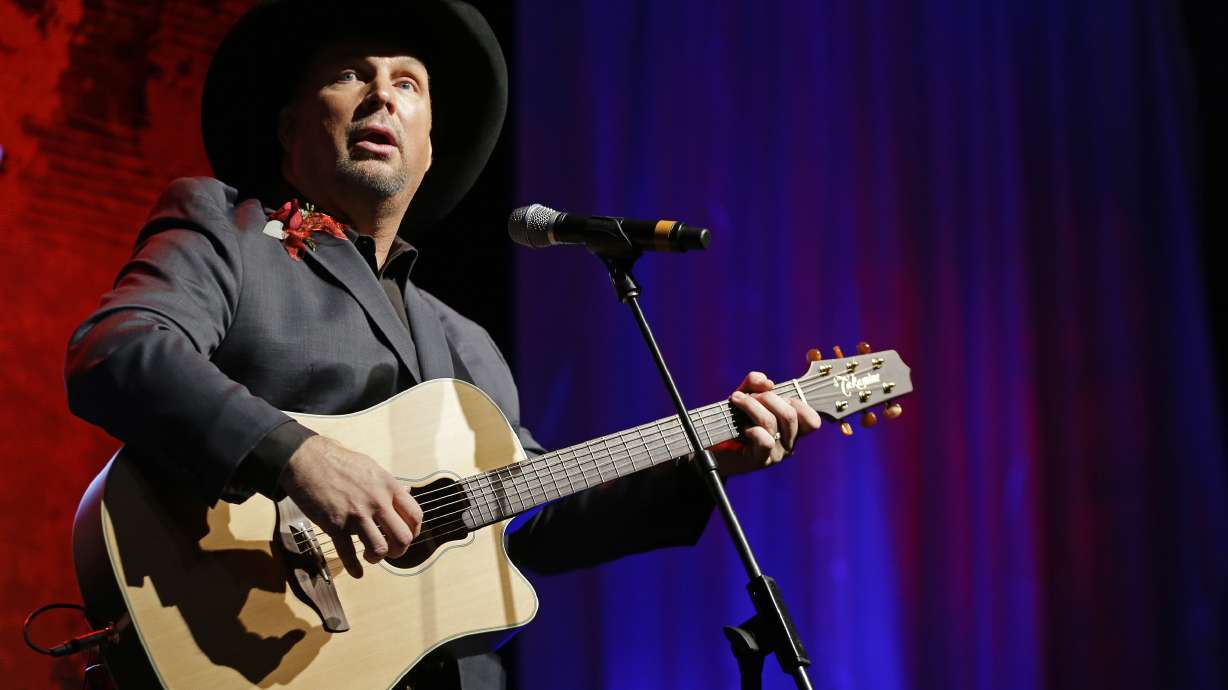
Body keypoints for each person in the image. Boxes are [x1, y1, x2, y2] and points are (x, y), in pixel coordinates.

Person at [64, 1, 822, 688]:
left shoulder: (467, 343)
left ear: (428, 150)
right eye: (352, 76)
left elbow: (531, 519)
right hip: (262, 653)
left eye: (407, 84)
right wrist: (297, 455)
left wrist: (707, 465)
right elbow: (118, 350)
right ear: (290, 127)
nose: (382, 95)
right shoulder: (227, 231)